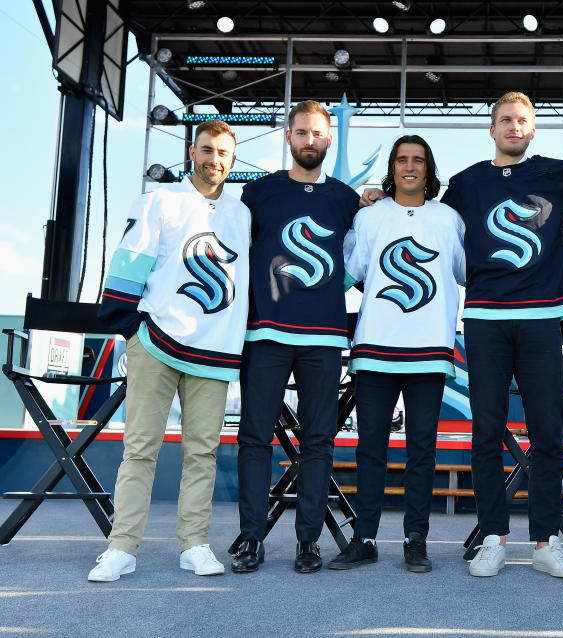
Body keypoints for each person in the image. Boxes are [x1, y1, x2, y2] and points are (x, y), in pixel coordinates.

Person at [362, 91, 563, 580]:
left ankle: (545, 540)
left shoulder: (558, 174)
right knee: (486, 433)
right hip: (487, 320)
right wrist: (377, 197)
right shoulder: (466, 184)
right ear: (491, 129)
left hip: (541, 319)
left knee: (547, 433)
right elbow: (422, 212)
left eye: (522, 120)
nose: (514, 127)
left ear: (533, 129)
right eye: (505, 120)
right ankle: (492, 537)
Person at [90, 120, 250, 582]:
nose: (213, 159)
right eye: (205, 150)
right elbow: (128, 265)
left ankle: (194, 544)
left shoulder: (242, 216)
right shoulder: (159, 201)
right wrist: (132, 330)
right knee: (140, 448)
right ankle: (122, 547)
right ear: (191, 153)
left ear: (232, 160)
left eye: (222, 152)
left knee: (202, 452)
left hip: (214, 351)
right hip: (157, 342)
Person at [231, 101, 359, 574]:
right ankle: (251, 538)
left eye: (318, 133)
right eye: (301, 132)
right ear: (288, 137)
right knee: (254, 437)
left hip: (324, 336)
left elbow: (360, 262)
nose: (309, 140)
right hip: (265, 333)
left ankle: (309, 541)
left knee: (319, 441)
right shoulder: (257, 194)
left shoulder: (347, 200)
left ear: (329, 140)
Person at [328, 135, 464, 573]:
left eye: (418, 160)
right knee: (372, 448)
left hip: (430, 348)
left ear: (429, 168)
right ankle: (364, 537)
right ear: (392, 167)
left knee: (421, 449)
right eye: (402, 160)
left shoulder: (449, 219)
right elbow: (348, 273)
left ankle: (415, 539)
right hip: (374, 347)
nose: (410, 167)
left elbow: (467, 271)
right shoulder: (370, 218)